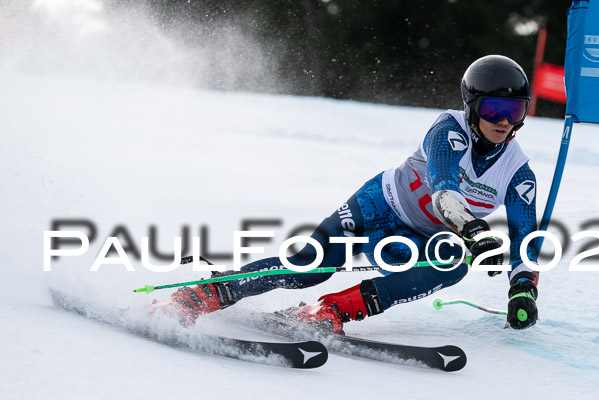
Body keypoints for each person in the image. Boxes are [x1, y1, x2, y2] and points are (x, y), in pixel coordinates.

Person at [154, 55, 540, 333]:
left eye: (515, 110)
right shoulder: (448, 131)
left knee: (453, 265)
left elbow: (526, 241)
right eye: (493, 109)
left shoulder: (518, 172)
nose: (504, 122)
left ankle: (332, 311)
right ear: (473, 107)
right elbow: (443, 191)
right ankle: (202, 295)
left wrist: (523, 289)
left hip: (416, 240)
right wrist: (474, 230)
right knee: (308, 266)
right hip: (376, 206)